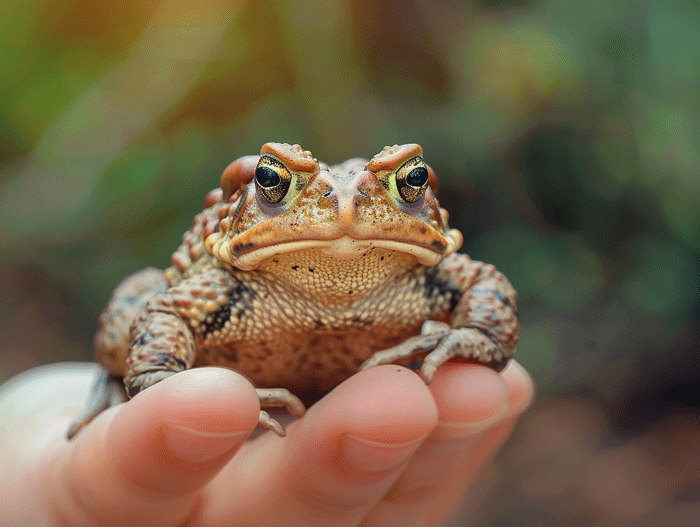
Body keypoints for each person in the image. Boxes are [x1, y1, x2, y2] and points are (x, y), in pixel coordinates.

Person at [0, 360, 533, 526]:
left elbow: (484, 290)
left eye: (409, 183)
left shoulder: (422, 268)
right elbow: (159, 307)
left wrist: (462, 340)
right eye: (277, 184)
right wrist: (146, 376)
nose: (340, 211)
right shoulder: (224, 278)